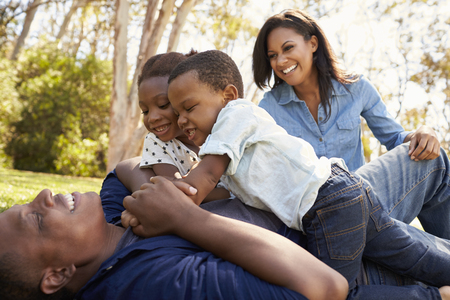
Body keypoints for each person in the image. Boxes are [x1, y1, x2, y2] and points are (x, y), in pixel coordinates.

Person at [164, 49, 450, 297]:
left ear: (228, 96)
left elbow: (201, 182)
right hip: (345, 189)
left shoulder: (233, 116)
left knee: (335, 291)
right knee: (409, 254)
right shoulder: (232, 145)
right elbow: (216, 190)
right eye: (177, 114)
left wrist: (162, 200)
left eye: (189, 108)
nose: (183, 120)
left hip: (326, 206)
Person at [252, 9, 450, 241]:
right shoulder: (269, 107)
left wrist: (423, 133)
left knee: (432, 157)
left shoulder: (356, 88)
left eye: (288, 48)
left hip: (364, 197)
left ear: (313, 43)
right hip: (315, 211)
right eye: (272, 55)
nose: (281, 61)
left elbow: (395, 139)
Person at [0, 179, 348, 300]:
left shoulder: (109, 219)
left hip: (311, 204)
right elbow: (326, 286)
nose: (44, 195)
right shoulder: (156, 284)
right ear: (58, 274)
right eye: (35, 218)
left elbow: (124, 167)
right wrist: (184, 216)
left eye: (27, 202)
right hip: (338, 246)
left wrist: (158, 193)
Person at [116, 51, 229, 201]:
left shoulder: (216, 136)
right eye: (145, 111)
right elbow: (176, 190)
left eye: (163, 105)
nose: (153, 117)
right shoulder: (158, 143)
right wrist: (227, 194)